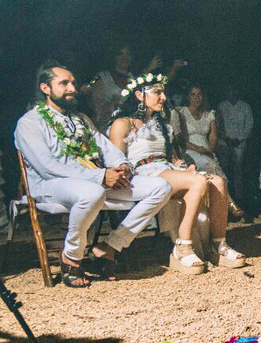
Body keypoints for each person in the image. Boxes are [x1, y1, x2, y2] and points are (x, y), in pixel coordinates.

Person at [15, 60, 173, 288]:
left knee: (161, 187)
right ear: (45, 88)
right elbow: (47, 167)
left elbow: (107, 149)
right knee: (92, 192)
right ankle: (71, 257)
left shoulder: (81, 119)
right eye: (64, 83)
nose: (72, 88)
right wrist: (100, 176)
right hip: (50, 186)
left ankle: (109, 247)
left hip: (92, 183)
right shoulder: (30, 122)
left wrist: (122, 167)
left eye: (73, 83)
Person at [107, 73, 246, 274]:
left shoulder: (162, 126)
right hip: (143, 174)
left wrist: (183, 165)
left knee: (218, 181)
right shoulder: (123, 124)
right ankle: (182, 247)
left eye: (163, 92)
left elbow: (171, 158)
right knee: (198, 182)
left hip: (166, 168)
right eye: (157, 92)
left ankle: (219, 245)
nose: (163, 97)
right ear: (139, 95)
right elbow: (116, 161)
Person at [84, 45, 181, 127]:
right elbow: (89, 90)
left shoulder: (135, 79)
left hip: (131, 124)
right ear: (114, 57)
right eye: (120, 54)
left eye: (128, 54)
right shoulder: (102, 76)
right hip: (105, 123)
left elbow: (159, 85)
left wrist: (174, 69)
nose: (124, 57)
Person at [217, 86, 254, 201]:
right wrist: (226, 138)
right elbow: (218, 124)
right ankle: (225, 196)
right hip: (224, 143)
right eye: (229, 90)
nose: (231, 93)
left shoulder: (245, 107)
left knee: (238, 170)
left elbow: (249, 126)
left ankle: (238, 197)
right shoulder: (221, 106)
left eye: (234, 90)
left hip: (240, 144)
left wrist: (239, 139)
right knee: (223, 170)